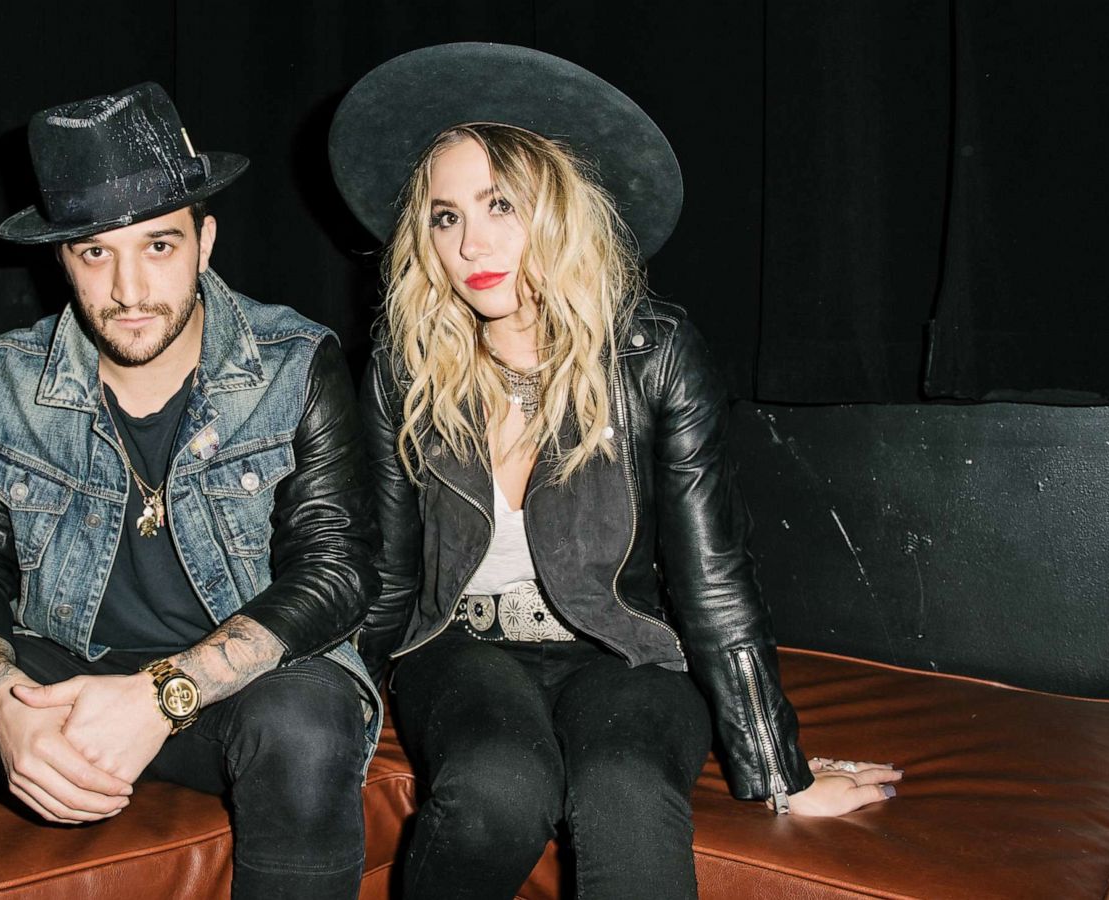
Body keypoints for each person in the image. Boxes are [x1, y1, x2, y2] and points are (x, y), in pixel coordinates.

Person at [0, 82, 380, 899]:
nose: (129, 290)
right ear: (61, 258)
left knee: (306, 728)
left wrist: (163, 696)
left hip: (239, 685)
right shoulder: (9, 377)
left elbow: (336, 573)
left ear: (205, 241)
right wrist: (2, 701)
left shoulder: (295, 364)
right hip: (58, 668)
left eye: (158, 246)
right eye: (96, 252)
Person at [329, 43, 904, 899]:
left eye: (501, 205)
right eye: (445, 217)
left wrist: (776, 763)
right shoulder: (406, 365)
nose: (471, 243)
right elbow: (385, 569)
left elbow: (712, 577)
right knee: (495, 789)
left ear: (559, 212)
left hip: (627, 653)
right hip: (464, 648)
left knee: (625, 789)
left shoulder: (654, 355)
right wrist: (333, 703)